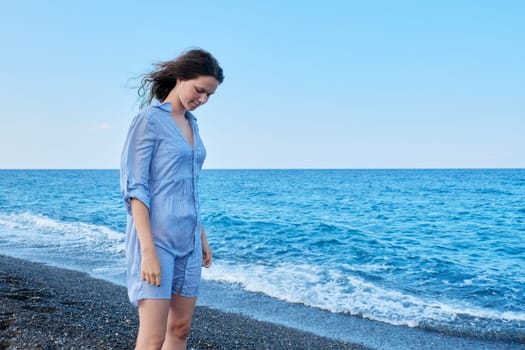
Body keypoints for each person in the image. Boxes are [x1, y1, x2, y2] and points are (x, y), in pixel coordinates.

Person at [120, 48, 224, 349]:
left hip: (188, 242)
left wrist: (201, 237)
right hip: (157, 240)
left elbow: (188, 187)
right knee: (152, 337)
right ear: (180, 78)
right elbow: (136, 190)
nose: (202, 99)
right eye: (199, 90)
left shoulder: (193, 124)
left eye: (209, 95)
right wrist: (148, 252)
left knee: (180, 328)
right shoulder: (149, 120)